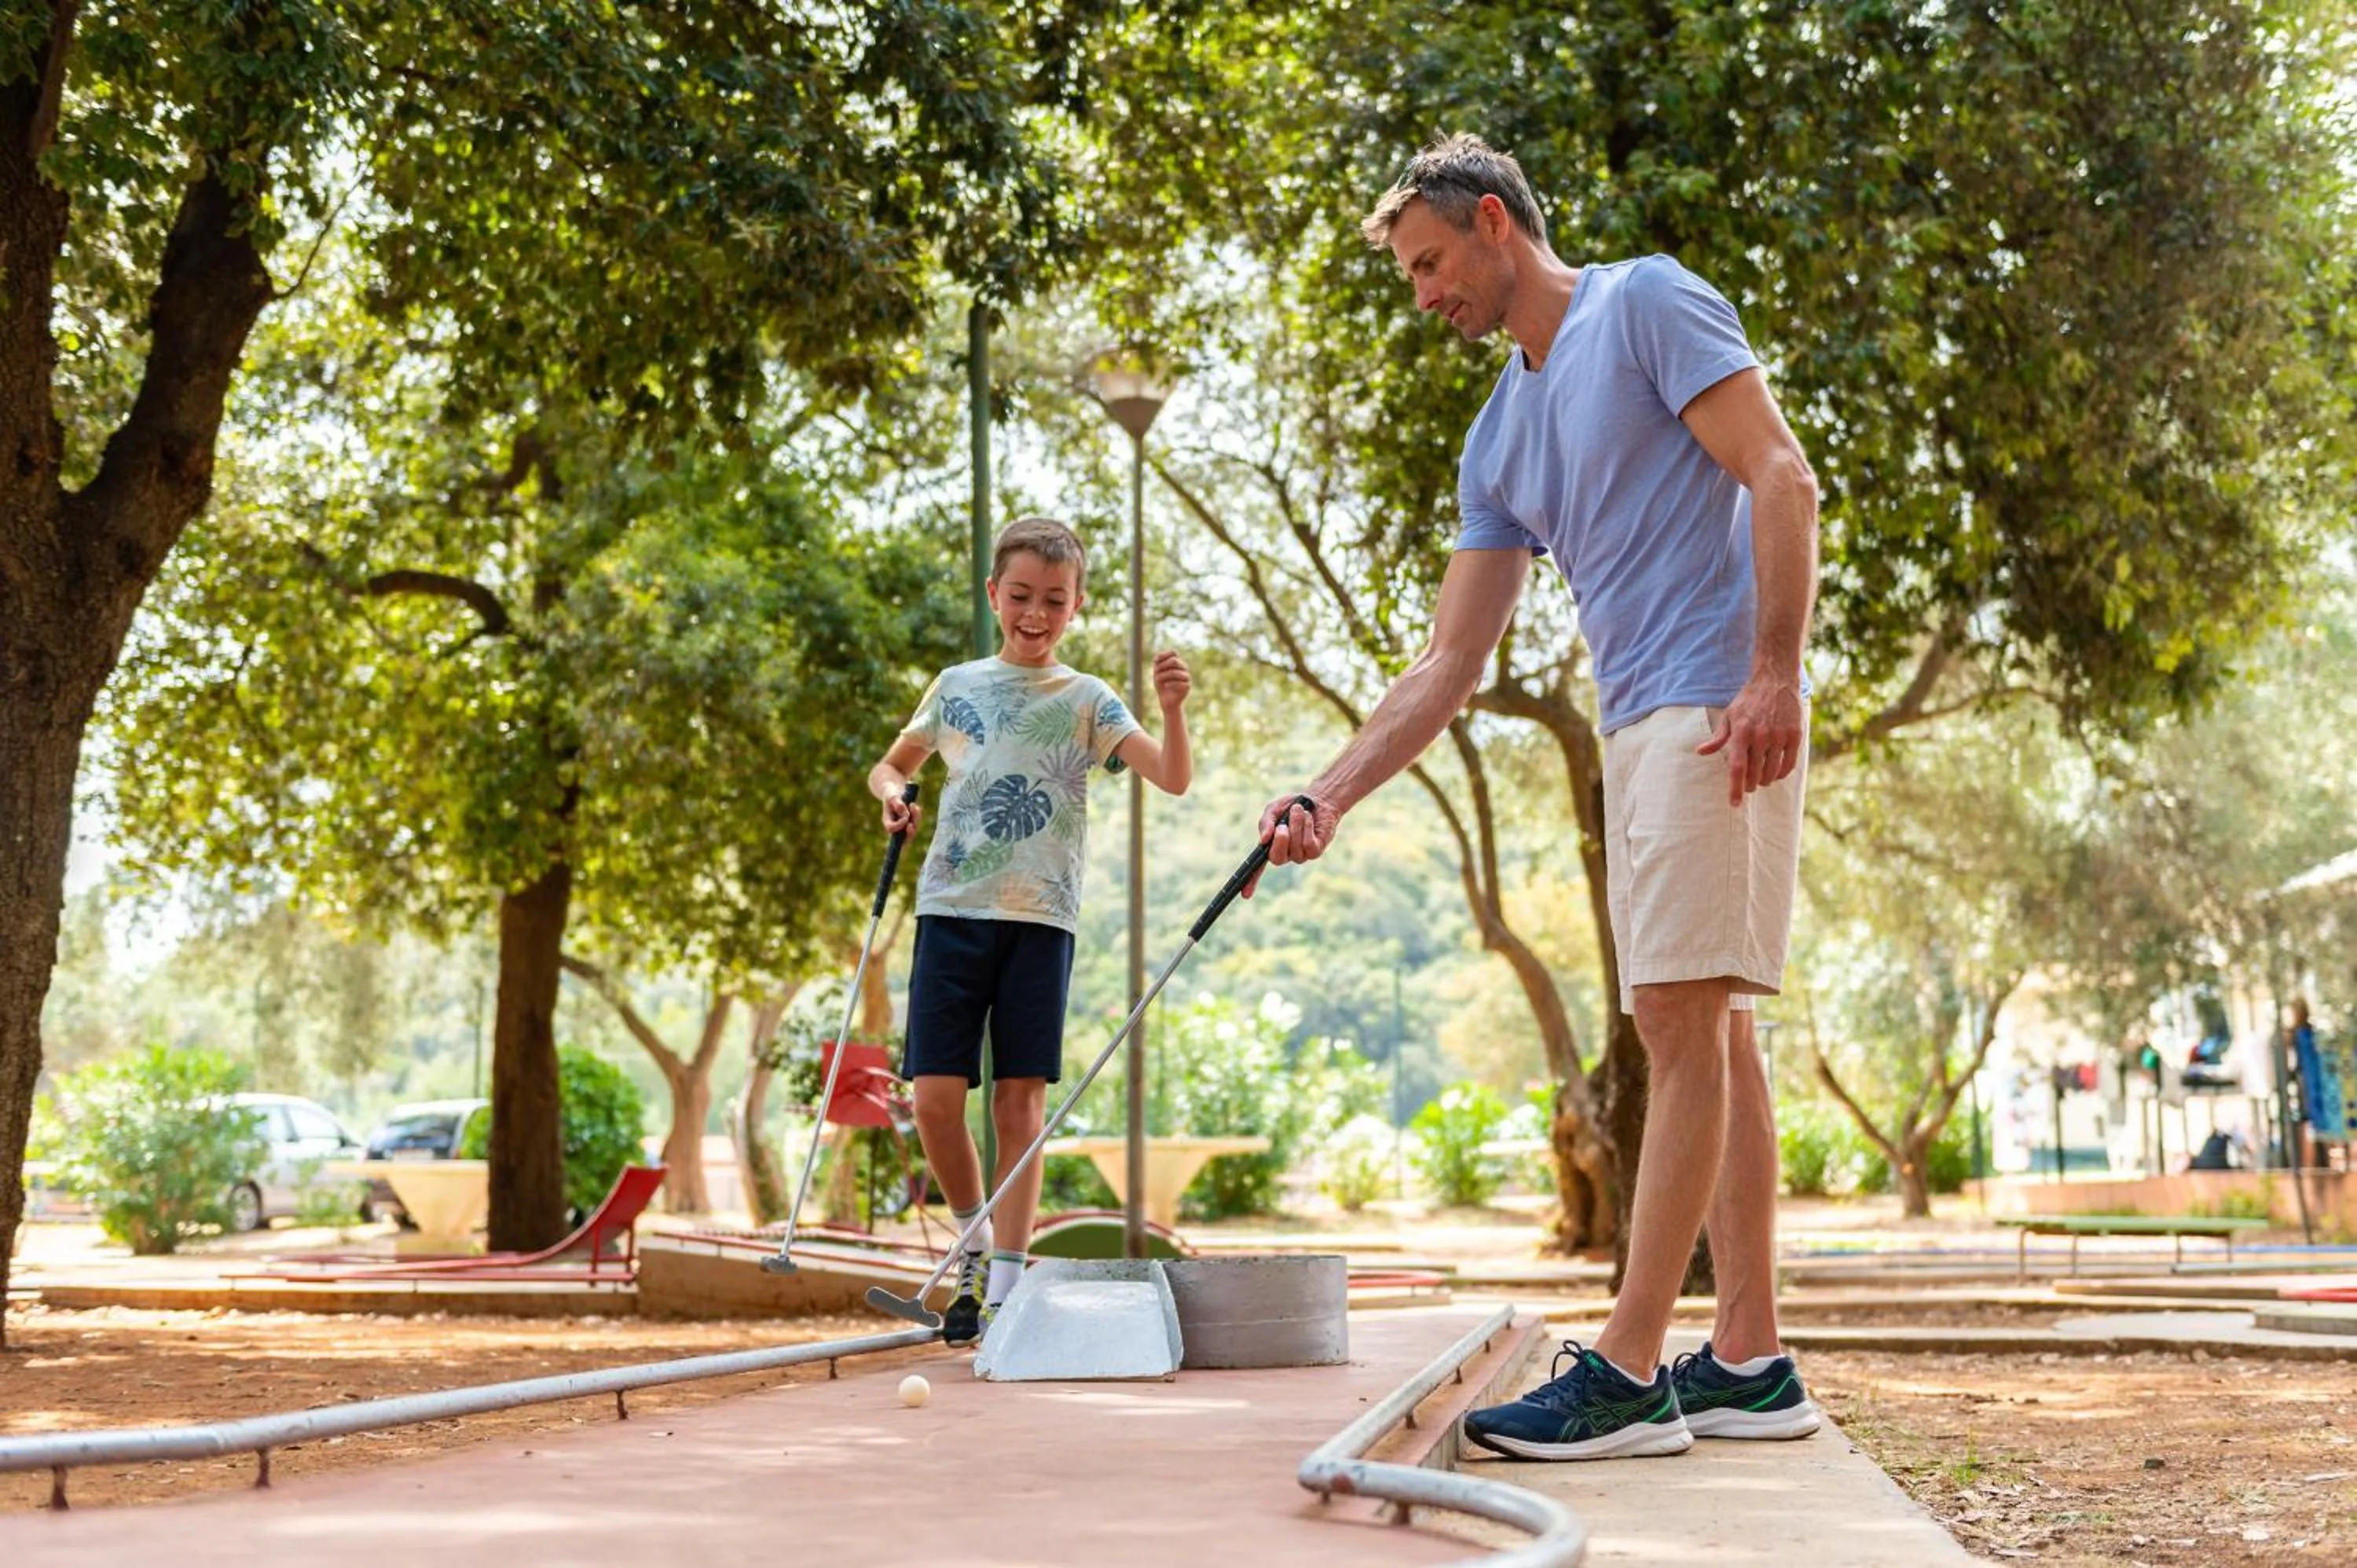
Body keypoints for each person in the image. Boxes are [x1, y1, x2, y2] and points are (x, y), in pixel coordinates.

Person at [1252, 134, 1820, 1460]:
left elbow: (1782, 475)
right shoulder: (1500, 433)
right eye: (1410, 275)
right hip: (1642, 724)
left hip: (1713, 704)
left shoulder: (1646, 304)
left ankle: (1626, 1371)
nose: (1423, 294)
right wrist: (1327, 793)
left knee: (1680, 1025)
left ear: (1496, 224)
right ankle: (1748, 1358)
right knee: (1714, 1029)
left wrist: (1775, 673)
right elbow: (1451, 658)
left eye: (1430, 263)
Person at [870, 515, 1192, 1344]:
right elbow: (892, 763)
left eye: (1054, 599)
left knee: (1020, 1104)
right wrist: (891, 795)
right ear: (994, 596)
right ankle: (975, 1245)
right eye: (1020, 596)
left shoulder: (1089, 698)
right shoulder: (956, 685)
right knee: (935, 1099)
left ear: (1077, 603)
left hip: (1040, 917)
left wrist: (1172, 709)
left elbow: (1174, 776)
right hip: (950, 910)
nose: (1035, 612)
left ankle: (1005, 1287)